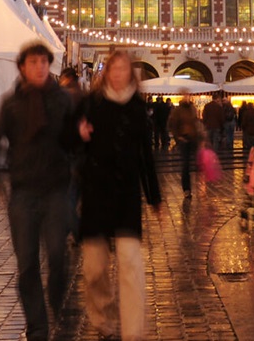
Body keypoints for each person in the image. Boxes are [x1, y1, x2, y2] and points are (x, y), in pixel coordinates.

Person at [70, 49, 162, 341]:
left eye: (124, 69)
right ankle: (103, 319)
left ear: (131, 74)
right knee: (95, 269)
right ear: (107, 73)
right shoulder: (92, 104)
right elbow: (70, 140)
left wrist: (154, 197)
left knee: (131, 265)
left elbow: (146, 154)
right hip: (97, 192)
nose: (119, 74)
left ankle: (133, 333)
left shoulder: (137, 107)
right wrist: (80, 135)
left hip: (126, 196)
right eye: (114, 69)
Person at [0, 40, 74, 341]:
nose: (40, 67)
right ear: (23, 67)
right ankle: (37, 326)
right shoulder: (11, 103)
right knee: (26, 263)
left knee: (56, 255)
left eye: (44, 62)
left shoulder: (63, 100)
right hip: (24, 192)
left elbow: (74, 139)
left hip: (55, 189)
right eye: (33, 62)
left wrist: (81, 139)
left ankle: (56, 292)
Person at [166, 95, 203, 195]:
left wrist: (199, 135)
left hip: (193, 138)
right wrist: (178, 137)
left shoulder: (192, 108)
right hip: (184, 139)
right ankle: (187, 189)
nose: (187, 97)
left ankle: (197, 185)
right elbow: (172, 124)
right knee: (185, 165)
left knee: (196, 163)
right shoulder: (178, 110)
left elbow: (195, 122)